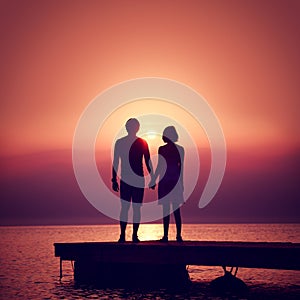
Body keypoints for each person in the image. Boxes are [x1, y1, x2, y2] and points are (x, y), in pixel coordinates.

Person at [112, 118, 153, 243]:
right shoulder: (121, 142)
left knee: (132, 208)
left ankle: (131, 235)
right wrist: (114, 179)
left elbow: (147, 161)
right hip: (128, 179)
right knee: (128, 208)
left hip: (135, 179)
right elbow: (115, 162)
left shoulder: (140, 142)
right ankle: (125, 235)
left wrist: (152, 177)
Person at [149, 126, 184, 242]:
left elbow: (160, 166)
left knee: (167, 210)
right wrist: (181, 183)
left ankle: (168, 236)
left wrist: (154, 179)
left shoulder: (163, 149)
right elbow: (179, 168)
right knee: (174, 210)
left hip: (167, 181)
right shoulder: (179, 149)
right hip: (172, 181)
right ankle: (176, 236)